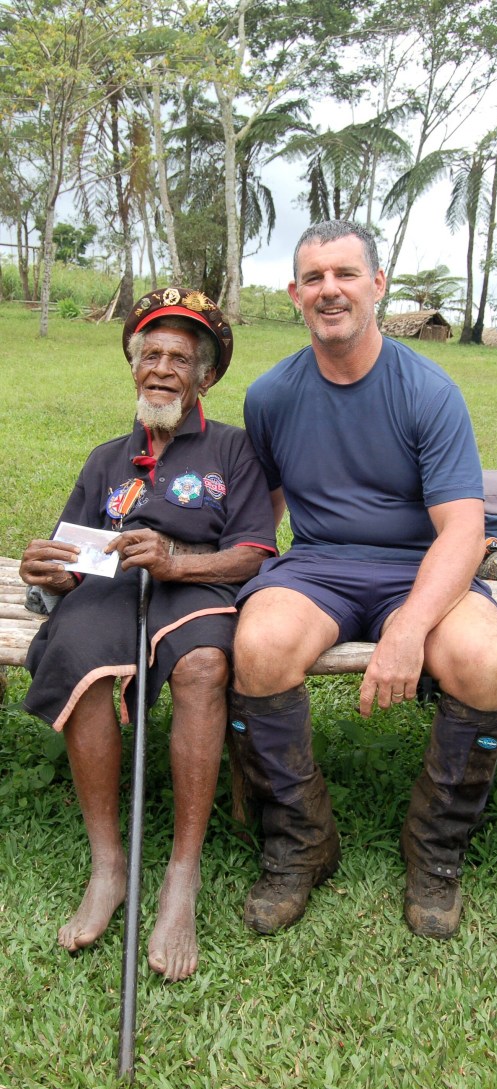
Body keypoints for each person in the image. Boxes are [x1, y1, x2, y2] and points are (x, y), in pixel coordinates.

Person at [229, 221, 497, 940]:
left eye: (346, 274)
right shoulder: (270, 396)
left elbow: (463, 531)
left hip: (418, 568)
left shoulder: (429, 392)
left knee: (485, 661)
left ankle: (435, 850)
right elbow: (264, 512)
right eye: (314, 278)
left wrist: (409, 628)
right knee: (259, 646)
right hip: (317, 565)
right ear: (295, 294)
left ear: (378, 285)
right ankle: (301, 842)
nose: (330, 290)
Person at [20, 287, 277, 980]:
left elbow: (254, 552)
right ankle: (109, 866)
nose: (162, 369)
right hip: (112, 591)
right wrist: (49, 570)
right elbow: (72, 555)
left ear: (204, 378)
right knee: (81, 661)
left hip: (198, 585)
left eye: (179, 359)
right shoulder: (108, 458)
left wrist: (175, 562)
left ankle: (181, 875)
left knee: (202, 666)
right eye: (150, 355)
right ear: (134, 367)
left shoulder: (233, 449)